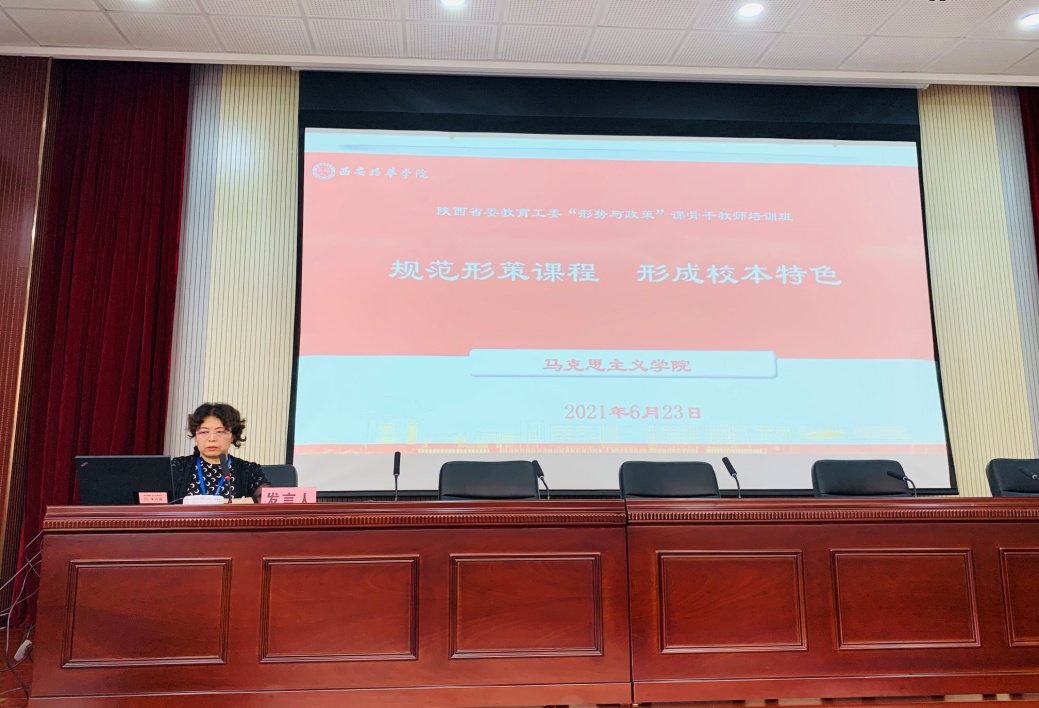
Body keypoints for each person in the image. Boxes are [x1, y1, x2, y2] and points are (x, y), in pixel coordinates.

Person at [171, 403, 270, 502]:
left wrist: (221, 503)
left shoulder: (249, 470)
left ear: (233, 436)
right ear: (195, 436)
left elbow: (268, 499)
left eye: (220, 432)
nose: (212, 438)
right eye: (204, 432)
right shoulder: (177, 467)